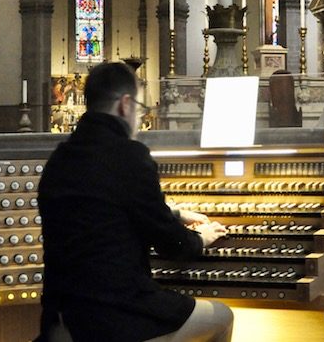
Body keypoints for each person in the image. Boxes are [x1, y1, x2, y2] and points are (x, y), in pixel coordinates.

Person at [37, 62, 233, 342]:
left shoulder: (61, 158)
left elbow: (100, 206)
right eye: (140, 109)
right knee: (221, 317)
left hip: (61, 318)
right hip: (114, 317)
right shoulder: (129, 156)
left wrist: (174, 213)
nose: (139, 119)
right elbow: (171, 245)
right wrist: (200, 238)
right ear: (125, 105)